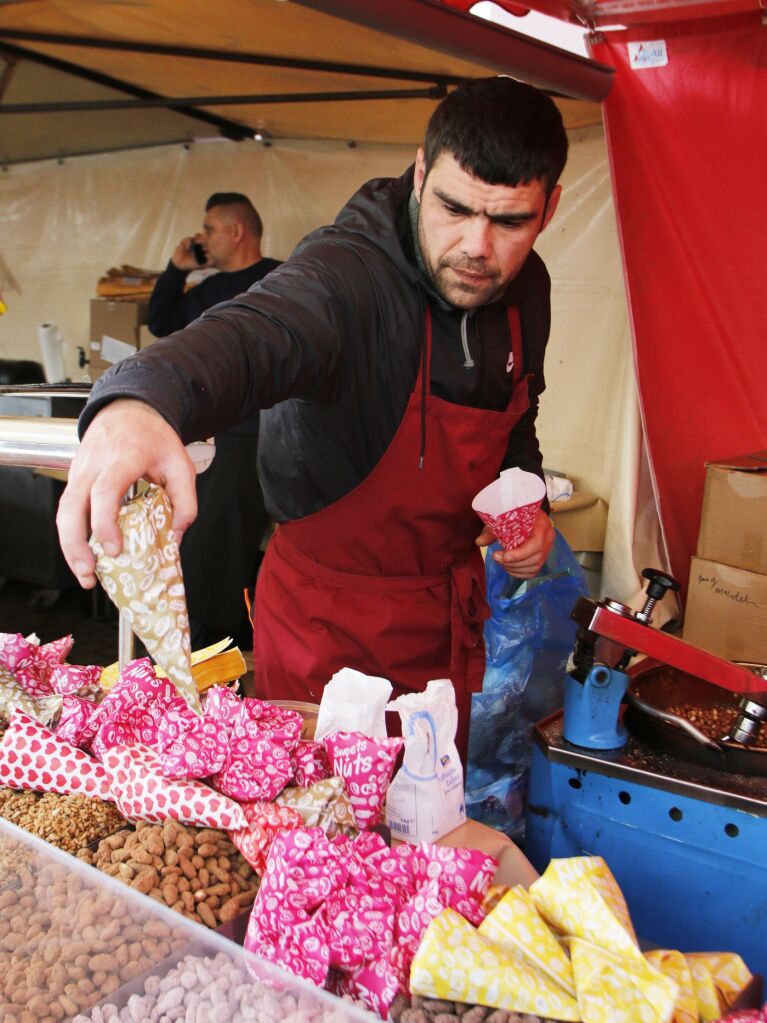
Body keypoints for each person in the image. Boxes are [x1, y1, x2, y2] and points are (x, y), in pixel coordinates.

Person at [57, 77, 567, 761]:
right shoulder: (348, 272)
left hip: (442, 619)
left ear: (549, 208)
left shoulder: (525, 290)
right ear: (420, 174)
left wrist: (524, 498)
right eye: (453, 208)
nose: (476, 245)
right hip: (324, 626)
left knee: (425, 826)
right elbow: (257, 331)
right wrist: (140, 398)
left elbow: (515, 416)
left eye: (509, 222)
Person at [148, 193, 281, 649]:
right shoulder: (206, 291)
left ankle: (219, 656)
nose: (201, 238)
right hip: (215, 439)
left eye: (208, 229)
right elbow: (161, 321)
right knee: (207, 554)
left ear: (236, 231)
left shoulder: (282, 280)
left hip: (258, 437)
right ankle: (213, 653)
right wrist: (177, 268)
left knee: (221, 558)